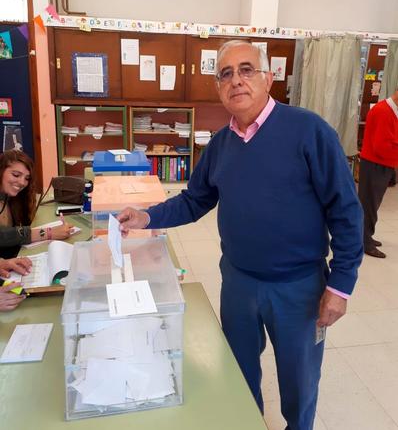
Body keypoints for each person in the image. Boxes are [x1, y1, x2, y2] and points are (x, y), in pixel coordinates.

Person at [117, 40, 363, 430]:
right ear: (218, 87)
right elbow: (195, 200)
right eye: (226, 73)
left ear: (268, 78)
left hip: (299, 287)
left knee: (299, 381)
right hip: (239, 282)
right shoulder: (220, 144)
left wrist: (341, 285)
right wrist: (146, 217)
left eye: (246, 69)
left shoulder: (309, 131)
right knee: (238, 373)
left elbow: (346, 211)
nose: (236, 80)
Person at [0, 150, 71, 259]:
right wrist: (49, 233)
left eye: (27, 178)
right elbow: (3, 236)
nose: (22, 182)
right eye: (16, 175)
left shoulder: (11, 198)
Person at [358, 89, 398, 258]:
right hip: (375, 164)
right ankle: (364, 241)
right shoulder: (383, 111)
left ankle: (366, 236)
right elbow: (381, 147)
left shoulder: (391, 111)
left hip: (381, 164)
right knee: (369, 204)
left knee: (371, 204)